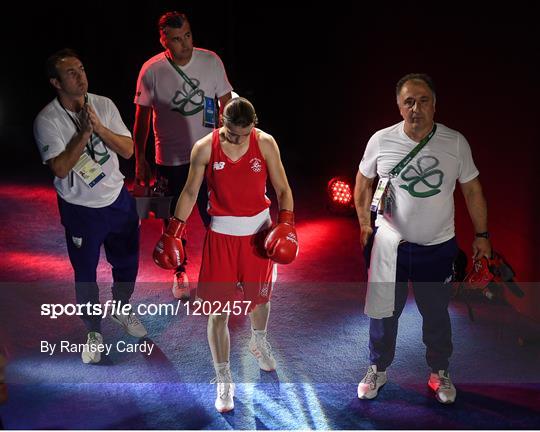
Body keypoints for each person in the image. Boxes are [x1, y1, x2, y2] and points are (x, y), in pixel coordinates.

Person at [152, 97, 298, 412]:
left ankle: (259, 341)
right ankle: (223, 378)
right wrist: (174, 230)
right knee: (218, 312)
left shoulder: (266, 143)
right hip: (222, 238)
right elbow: (190, 192)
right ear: (222, 121)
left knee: (261, 298)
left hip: (259, 236)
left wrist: (286, 224)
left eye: (243, 134)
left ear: (253, 126)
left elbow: (283, 189)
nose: (236, 139)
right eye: (231, 133)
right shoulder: (204, 147)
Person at [354, 73, 491, 404]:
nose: (416, 108)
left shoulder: (454, 142)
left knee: (436, 314)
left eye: (423, 100)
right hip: (391, 247)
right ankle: (377, 368)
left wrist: (482, 234)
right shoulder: (381, 141)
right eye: (408, 101)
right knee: (384, 313)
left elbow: (472, 189)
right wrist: (364, 223)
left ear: (435, 104)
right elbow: (362, 182)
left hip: (438, 247)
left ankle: (439, 372)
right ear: (399, 106)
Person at [34, 49, 147, 364]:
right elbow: (59, 167)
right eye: (71, 73)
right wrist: (83, 133)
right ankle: (93, 332)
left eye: (81, 68)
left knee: (127, 262)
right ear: (56, 82)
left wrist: (98, 127)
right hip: (80, 209)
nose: (80, 76)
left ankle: (121, 308)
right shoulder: (47, 120)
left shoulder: (104, 104)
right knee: (85, 273)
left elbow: (127, 150)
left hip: (117, 200)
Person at [134, 11, 233, 300]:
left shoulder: (211, 61)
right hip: (170, 159)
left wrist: (231, 147)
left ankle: (222, 272)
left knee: (217, 216)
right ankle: (179, 270)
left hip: (209, 154)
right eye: (176, 39)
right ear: (163, 40)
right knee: (173, 219)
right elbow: (141, 120)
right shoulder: (151, 70)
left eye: (188, 35)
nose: (185, 44)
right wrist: (140, 159)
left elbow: (227, 104)